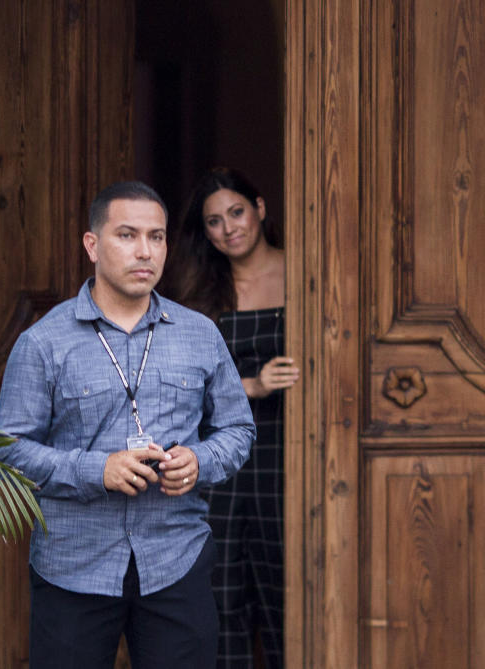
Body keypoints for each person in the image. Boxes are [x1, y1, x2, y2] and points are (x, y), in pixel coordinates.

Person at [0, 181, 255, 669]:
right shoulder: (42, 343)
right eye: (128, 235)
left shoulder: (200, 334)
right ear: (92, 245)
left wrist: (200, 460)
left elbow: (239, 430)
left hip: (176, 558)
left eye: (156, 237)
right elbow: (7, 451)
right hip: (74, 567)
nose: (145, 251)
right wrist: (98, 470)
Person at [164, 166, 298, 668]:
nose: (229, 229)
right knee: (220, 594)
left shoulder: (305, 272)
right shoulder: (196, 289)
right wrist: (254, 385)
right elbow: (176, 382)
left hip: (288, 451)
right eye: (215, 221)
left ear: (260, 208)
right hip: (217, 456)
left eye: (237, 213)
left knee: (287, 587)